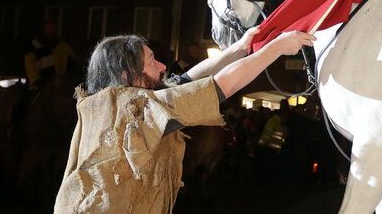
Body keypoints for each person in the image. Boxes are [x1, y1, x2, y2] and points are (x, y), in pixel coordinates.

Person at [53, 26, 314, 213]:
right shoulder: (132, 106)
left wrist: (239, 47)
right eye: (151, 61)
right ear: (126, 75)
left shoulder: (115, 100)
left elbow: (185, 80)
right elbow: (220, 86)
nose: (163, 67)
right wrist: (277, 48)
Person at [24, 20, 75, 88]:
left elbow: (72, 62)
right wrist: (36, 81)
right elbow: (30, 65)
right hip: (39, 86)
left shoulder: (63, 46)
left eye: (54, 29)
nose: (51, 31)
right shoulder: (33, 45)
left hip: (59, 85)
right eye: (49, 28)